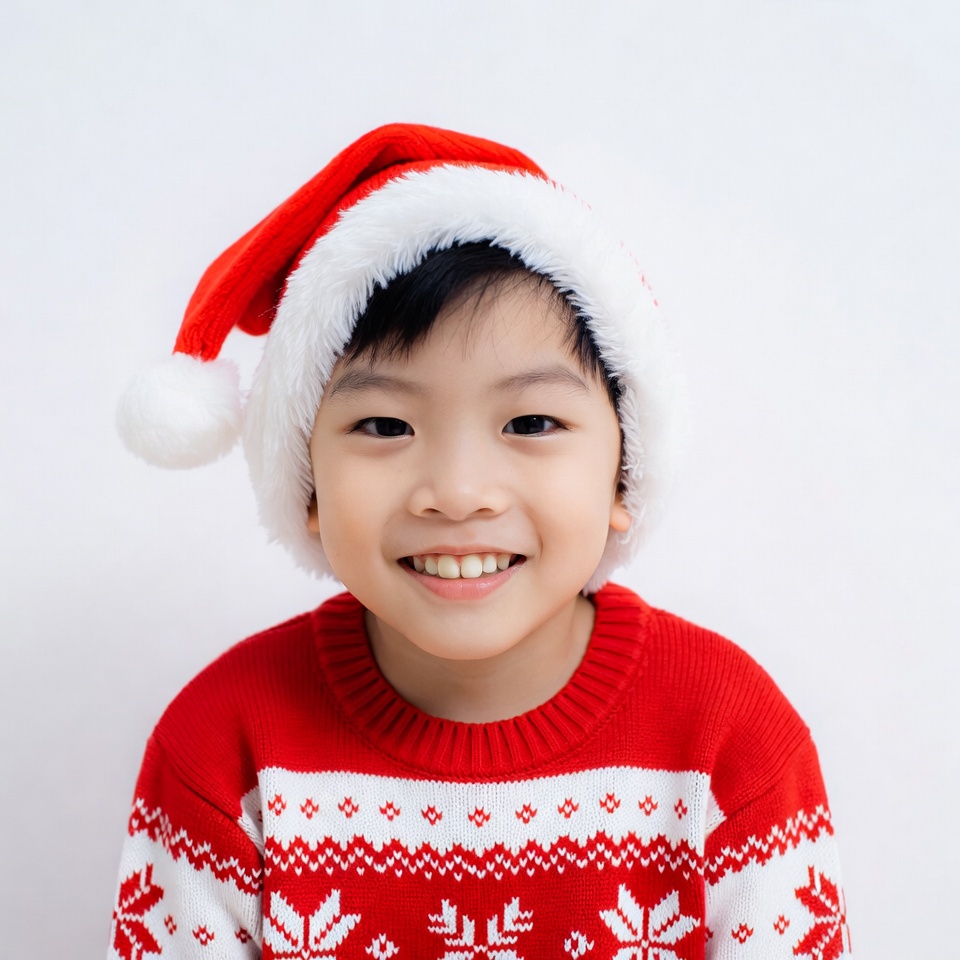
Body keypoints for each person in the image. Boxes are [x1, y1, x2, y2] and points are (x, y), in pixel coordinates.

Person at [110, 124, 850, 959]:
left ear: (624, 469)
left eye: (532, 422)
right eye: (385, 424)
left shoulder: (728, 742)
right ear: (305, 482)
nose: (459, 492)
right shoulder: (223, 750)